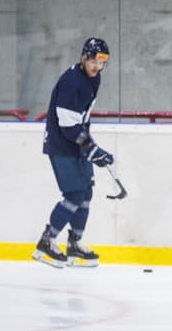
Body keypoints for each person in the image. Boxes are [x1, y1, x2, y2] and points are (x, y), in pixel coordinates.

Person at [32, 37, 114, 269]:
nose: (98, 67)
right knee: (75, 194)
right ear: (84, 57)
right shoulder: (71, 82)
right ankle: (46, 243)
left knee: (86, 192)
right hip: (61, 144)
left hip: (77, 142)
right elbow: (68, 127)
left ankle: (74, 245)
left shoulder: (94, 78)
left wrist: (91, 147)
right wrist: (92, 149)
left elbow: (81, 120)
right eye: (95, 61)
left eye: (103, 62)